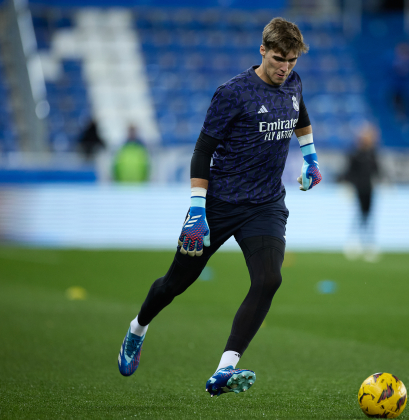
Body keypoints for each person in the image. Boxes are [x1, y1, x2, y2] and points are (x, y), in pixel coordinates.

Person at [117, 18, 321, 397]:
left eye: (292, 61)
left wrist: (310, 159)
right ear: (263, 50)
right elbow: (202, 151)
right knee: (174, 284)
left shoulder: (293, 82)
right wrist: (197, 210)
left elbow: (301, 116)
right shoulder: (233, 93)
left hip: (265, 204)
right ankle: (138, 328)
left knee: (269, 279)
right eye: (279, 58)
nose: (286, 68)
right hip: (219, 204)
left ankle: (224, 370)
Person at [341, 123, 379, 262]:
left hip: (369, 189)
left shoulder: (372, 154)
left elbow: (377, 170)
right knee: (358, 215)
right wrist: (347, 186)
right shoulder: (355, 154)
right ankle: (354, 242)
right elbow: (349, 172)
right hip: (358, 188)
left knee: (368, 216)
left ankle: (368, 243)